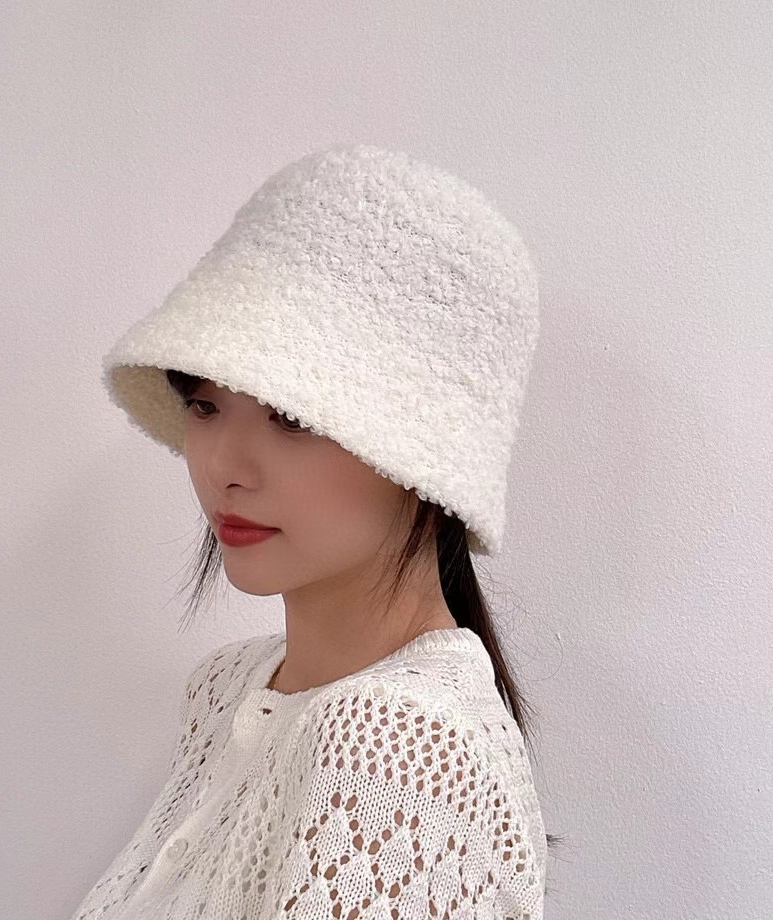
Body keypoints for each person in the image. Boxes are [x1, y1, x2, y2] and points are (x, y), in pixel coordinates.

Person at [70, 144, 555, 919]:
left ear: (425, 456)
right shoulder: (230, 688)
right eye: (204, 405)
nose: (224, 466)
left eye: (291, 417)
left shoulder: (396, 742)